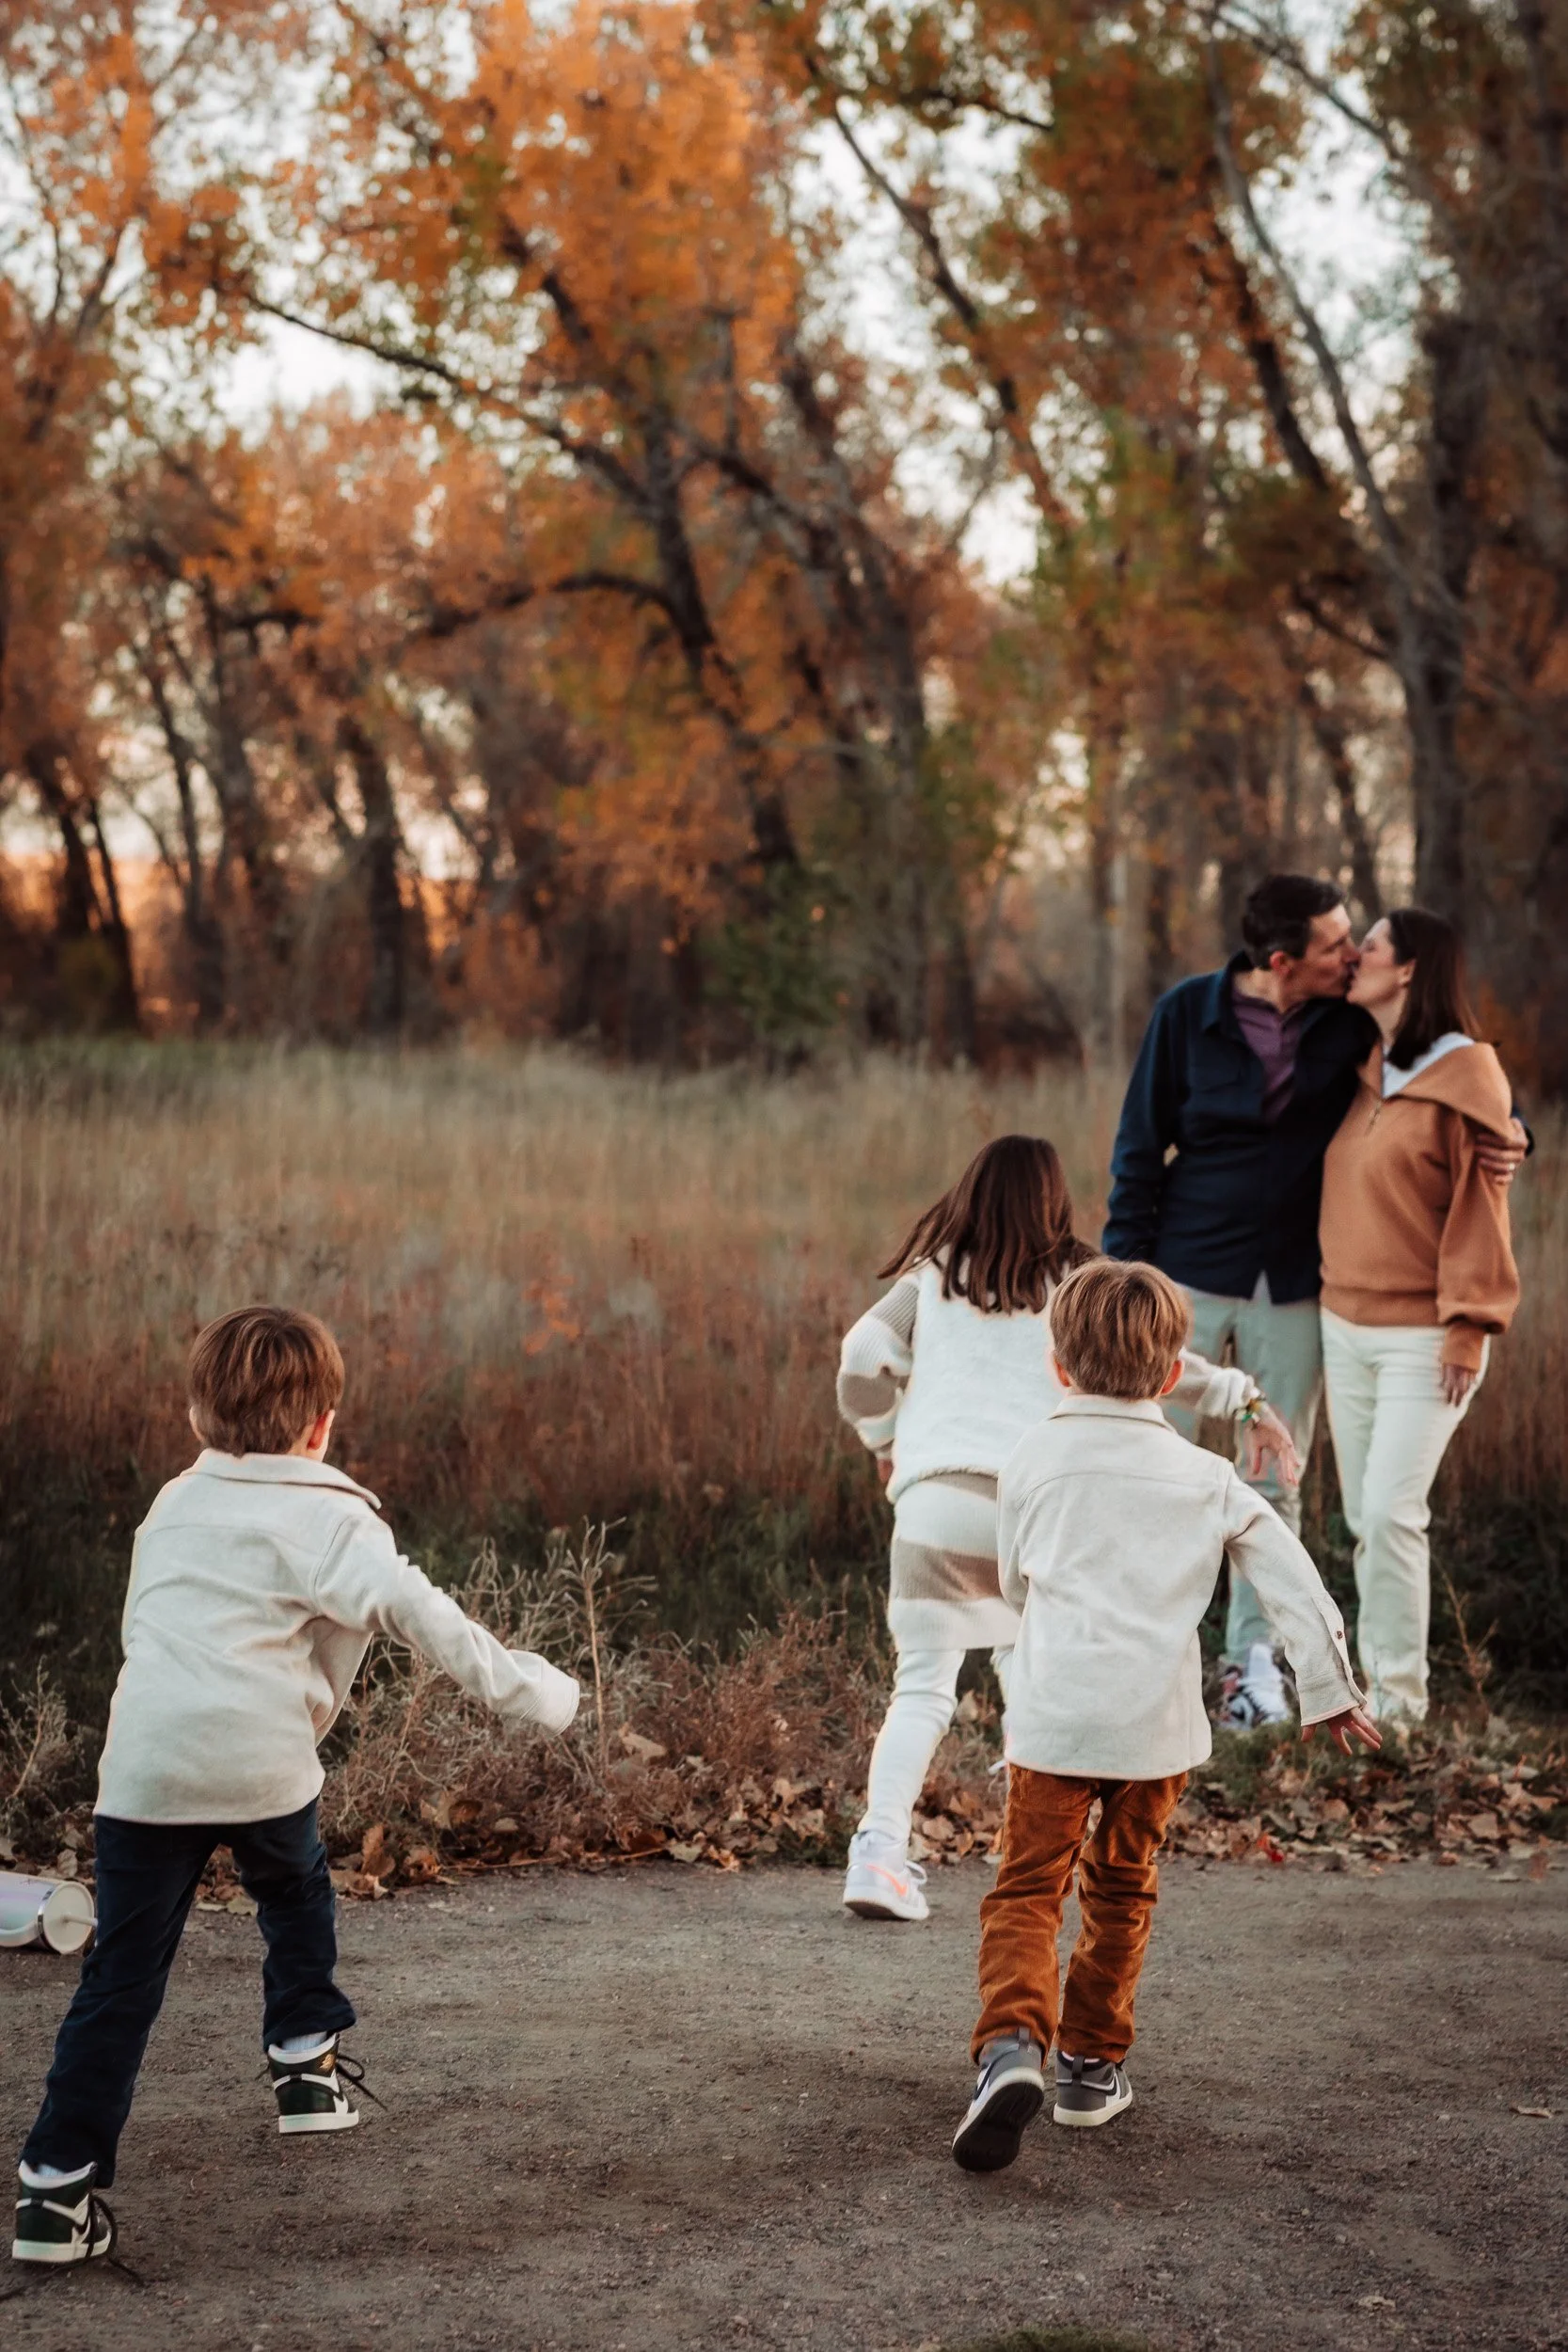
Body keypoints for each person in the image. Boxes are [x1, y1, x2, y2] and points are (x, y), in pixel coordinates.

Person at [11, 1305, 580, 2268]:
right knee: (295, 1888)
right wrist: (540, 1692)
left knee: (120, 1979)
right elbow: (428, 1621)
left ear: (197, 1415)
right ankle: (305, 2071)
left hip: (145, 1768)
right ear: (322, 1424)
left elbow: (146, 1632)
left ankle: (53, 2195)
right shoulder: (332, 1516)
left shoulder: (169, 1505)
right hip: (261, 1761)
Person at [951, 1259, 1377, 2173]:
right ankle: (1088, 2069)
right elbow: (1289, 1573)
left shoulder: (1029, 1457)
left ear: (1058, 1364)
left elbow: (1011, 1573)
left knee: (1027, 1889)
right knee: (1119, 1886)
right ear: (1167, 1373)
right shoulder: (1203, 1474)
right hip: (1151, 1729)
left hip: (1055, 1716)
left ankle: (1008, 2048)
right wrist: (1328, 1688)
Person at [835, 1136, 1299, 1924]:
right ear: (1056, 1203)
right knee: (1034, 1684)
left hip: (935, 1504)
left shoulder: (930, 1281)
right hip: (1034, 1505)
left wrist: (884, 1442)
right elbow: (1155, 1359)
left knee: (920, 1690)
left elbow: (859, 1358)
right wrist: (1243, 1400)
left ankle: (879, 1851)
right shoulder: (1076, 1283)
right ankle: (1036, 1854)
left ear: (967, 1195)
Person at [1103, 873, 1526, 1733]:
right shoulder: (1188, 1015)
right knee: (1157, 1471)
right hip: (1186, 1277)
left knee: (1272, 1477)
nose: (1350, 954)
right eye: (1336, 943)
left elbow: (1457, 1086)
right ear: (1282, 960)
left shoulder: (1347, 1024)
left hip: (1297, 1287)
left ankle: (1254, 1666)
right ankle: (1153, 1661)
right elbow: (1139, 1150)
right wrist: (1125, 1283)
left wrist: (1518, 1136)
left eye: (1357, 941)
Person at [1319, 910, 1520, 1723]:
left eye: (1366, 946)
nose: (1351, 957)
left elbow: (1482, 1205)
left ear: (1407, 970)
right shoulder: (1364, 1063)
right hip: (1342, 1324)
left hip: (1423, 1339)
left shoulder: (1467, 1074)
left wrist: (1469, 1325)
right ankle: (1368, 1692)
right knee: (1365, 1518)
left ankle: (1400, 1711)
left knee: (1395, 1514)